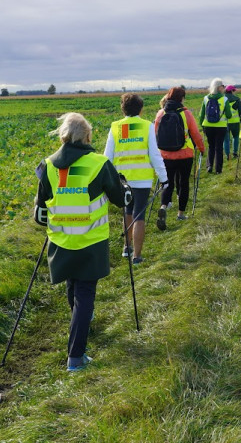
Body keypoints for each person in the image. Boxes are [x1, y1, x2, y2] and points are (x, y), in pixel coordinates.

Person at [34, 112, 132, 371]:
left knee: (74, 288)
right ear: (87, 136)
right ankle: (75, 357)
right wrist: (126, 188)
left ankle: (80, 330)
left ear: (63, 136)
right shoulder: (99, 164)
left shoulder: (47, 165)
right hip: (91, 241)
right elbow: (121, 200)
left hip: (61, 242)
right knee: (85, 294)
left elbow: (40, 213)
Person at [104, 93, 168, 265]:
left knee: (128, 211)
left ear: (122, 108)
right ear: (140, 109)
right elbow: (155, 155)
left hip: (121, 180)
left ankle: (127, 247)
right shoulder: (147, 126)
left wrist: (107, 181)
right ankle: (137, 257)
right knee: (139, 214)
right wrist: (164, 177)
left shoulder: (115, 127)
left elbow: (107, 157)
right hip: (142, 179)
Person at [154, 85, 206, 228]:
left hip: (165, 155)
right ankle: (180, 214)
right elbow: (195, 134)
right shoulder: (186, 114)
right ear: (182, 98)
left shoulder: (160, 113)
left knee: (167, 183)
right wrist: (201, 149)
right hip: (185, 154)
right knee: (183, 183)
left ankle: (163, 207)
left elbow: (155, 135)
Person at [199, 78, 234, 174]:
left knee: (211, 146)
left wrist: (202, 125)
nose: (224, 88)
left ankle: (209, 166)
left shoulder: (206, 98)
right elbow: (229, 115)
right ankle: (218, 169)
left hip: (208, 126)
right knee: (219, 147)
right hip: (221, 127)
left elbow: (201, 115)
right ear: (219, 87)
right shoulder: (224, 99)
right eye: (223, 86)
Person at [222, 85, 241, 160]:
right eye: (234, 90)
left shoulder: (222, 99)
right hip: (235, 122)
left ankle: (227, 155)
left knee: (226, 139)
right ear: (231, 91)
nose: (234, 92)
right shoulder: (237, 99)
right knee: (235, 137)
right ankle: (235, 153)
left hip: (225, 122)